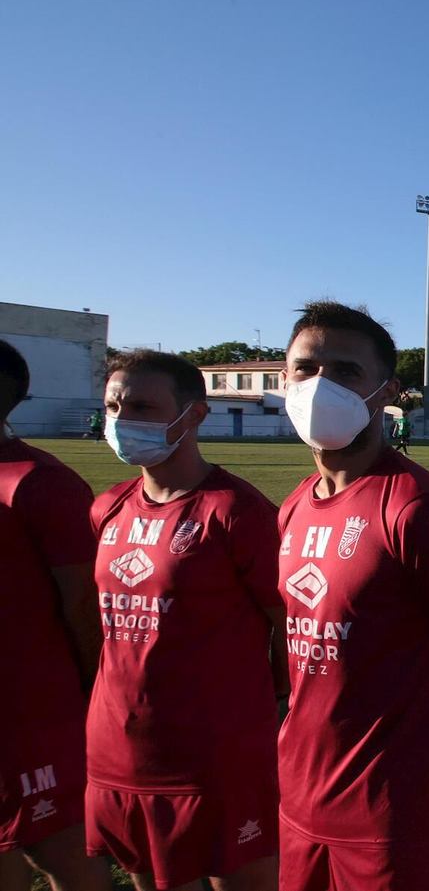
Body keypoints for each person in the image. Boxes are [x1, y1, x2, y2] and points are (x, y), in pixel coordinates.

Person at [276, 301, 429, 891]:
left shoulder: (416, 509)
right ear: (284, 381)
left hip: (399, 811)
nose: (320, 384)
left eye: (346, 371)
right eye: (305, 368)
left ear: (385, 391)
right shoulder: (295, 505)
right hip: (301, 799)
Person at [86, 349, 286, 891]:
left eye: (143, 406)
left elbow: (287, 628)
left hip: (215, 757)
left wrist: (264, 706)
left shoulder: (237, 512)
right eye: (113, 405)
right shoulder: (106, 507)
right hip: (119, 750)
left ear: (194, 414)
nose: (123, 419)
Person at [0, 340, 111, 891]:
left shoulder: (39, 483)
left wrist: (96, 691)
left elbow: (83, 605)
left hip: (33, 717)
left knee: (59, 852)